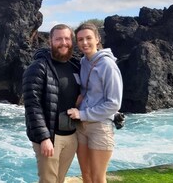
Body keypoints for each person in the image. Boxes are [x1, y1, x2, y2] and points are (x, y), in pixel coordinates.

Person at [23, 24, 81, 183]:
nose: (63, 42)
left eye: (67, 38)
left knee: (60, 179)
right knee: (48, 180)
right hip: (50, 137)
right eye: (58, 39)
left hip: (71, 135)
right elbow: (32, 105)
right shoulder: (38, 67)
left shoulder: (76, 65)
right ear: (50, 41)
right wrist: (44, 138)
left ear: (72, 40)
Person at [67, 22, 123, 183]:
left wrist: (82, 113)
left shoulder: (107, 65)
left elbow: (114, 104)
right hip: (81, 126)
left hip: (100, 127)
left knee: (98, 178)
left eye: (88, 38)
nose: (85, 43)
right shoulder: (84, 62)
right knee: (86, 175)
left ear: (97, 39)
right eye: (80, 39)